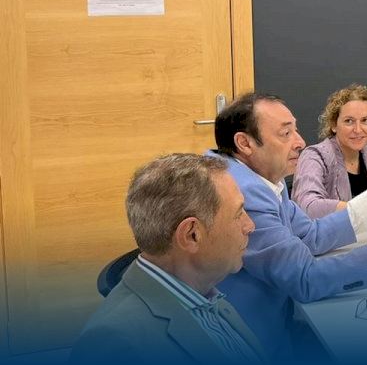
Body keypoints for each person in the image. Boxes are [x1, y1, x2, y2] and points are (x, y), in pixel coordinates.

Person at [208, 92, 367, 358]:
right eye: (286, 133)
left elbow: (310, 234)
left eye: (295, 130)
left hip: (278, 318)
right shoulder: (243, 193)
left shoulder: (260, 177)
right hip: (261, 342)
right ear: (244, 143)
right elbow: (306, 279)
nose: (300, 142)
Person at [71, 154, 265, 364]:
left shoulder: (205, 292)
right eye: (238, 214)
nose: (250, 226)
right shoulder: (116, 344)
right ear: (192, 235)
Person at [294, 84, 367, 219]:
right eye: (349, 121)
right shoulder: (314, 156)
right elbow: (308, 208)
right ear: (334, 125)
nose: (358, 130)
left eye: (365, 120)